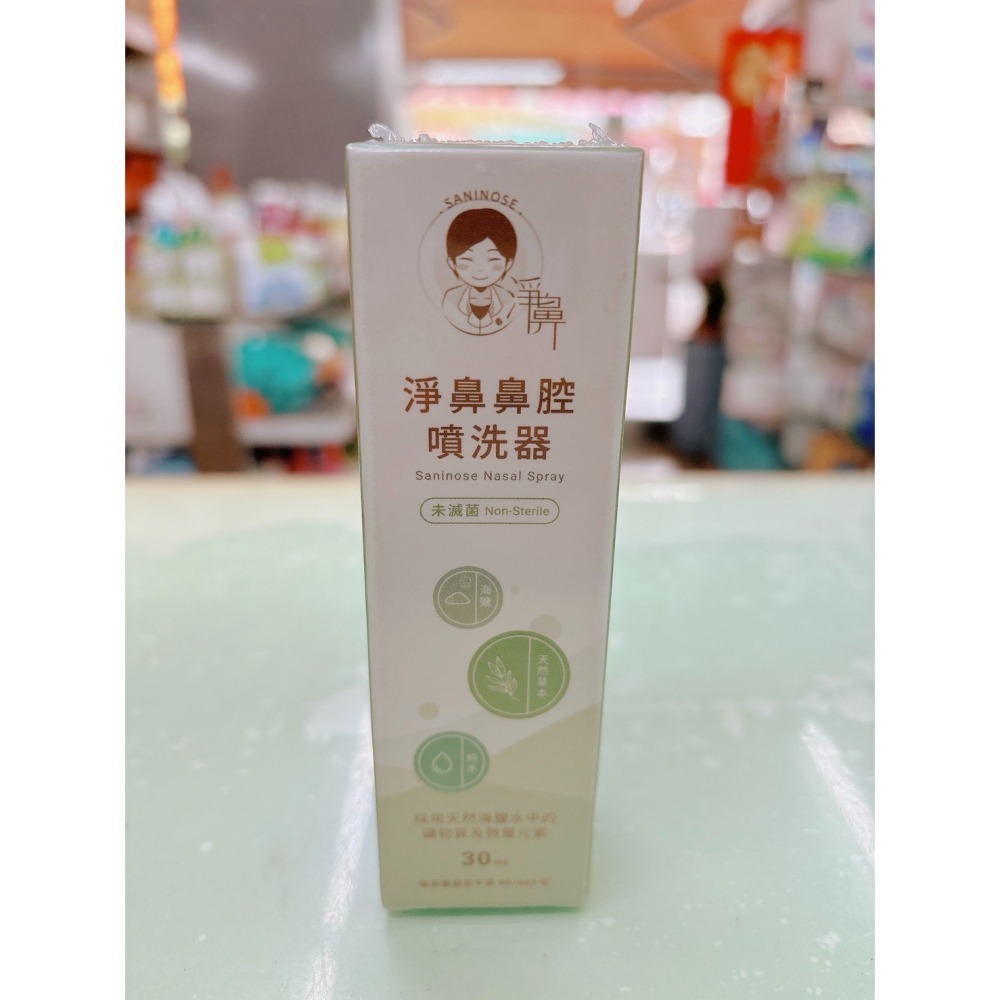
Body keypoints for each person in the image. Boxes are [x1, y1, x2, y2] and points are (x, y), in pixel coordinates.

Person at [671, 267, 728, 467]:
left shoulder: (707, 343)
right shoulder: (709, 341)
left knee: (699, 400)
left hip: (706, 347)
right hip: (706, 346)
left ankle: (695, 448)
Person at [441, 208, 519, 335]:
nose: (480, 269)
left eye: (493, 260)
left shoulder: (508, 297)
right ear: (452, 263)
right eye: (467, 259)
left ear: (508, 264)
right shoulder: (450, 297)